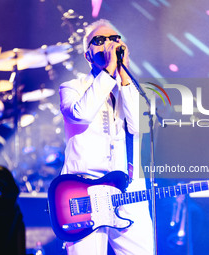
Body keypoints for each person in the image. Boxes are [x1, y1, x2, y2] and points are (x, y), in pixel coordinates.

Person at [59, 19, 153, 255]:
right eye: (99, 41)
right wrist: (108, 73)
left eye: (115, 39)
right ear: (88, 55)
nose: (109, 44)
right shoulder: (72, 87)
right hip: (84, 193)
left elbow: (139, 125)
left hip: (129, 191)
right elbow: (80, 114)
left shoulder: (130, 87)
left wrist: (123, 78)